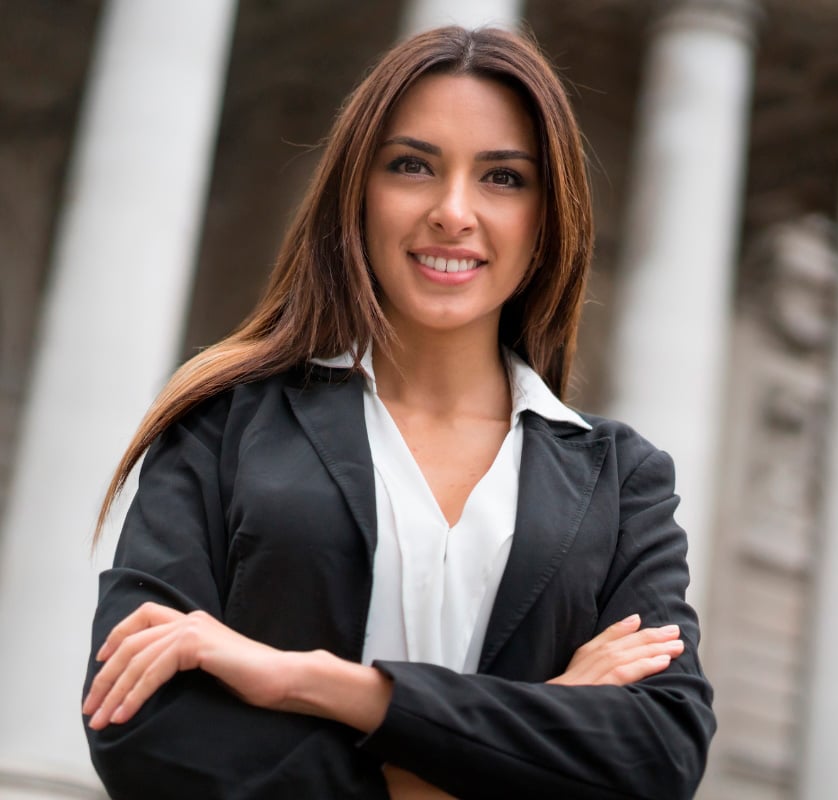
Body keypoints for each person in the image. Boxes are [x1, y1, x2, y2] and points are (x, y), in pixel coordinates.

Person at [79, 24, 714, 800]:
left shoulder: (622, 482)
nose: (453, 212)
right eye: (412, 166)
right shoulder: (223, 425)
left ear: (547, 220)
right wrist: (533, 730)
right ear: (359, 190)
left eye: (503, 178)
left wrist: (318, 684)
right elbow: (137, 720)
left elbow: (659, 755)